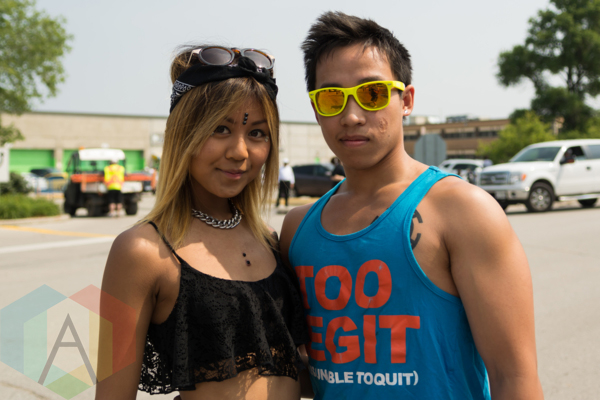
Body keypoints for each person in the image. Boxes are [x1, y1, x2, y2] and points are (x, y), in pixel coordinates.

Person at [279, 11, 544, 400]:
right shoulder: (297, 229)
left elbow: (515, 378)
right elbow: (312, 372)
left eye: (371, 93)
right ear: (317, 109)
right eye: (332, 98)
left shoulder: (463, 211)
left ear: (405, 100)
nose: (351, 116)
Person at [97, 45, 308, 400]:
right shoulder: (141, 251)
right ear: (184, 134)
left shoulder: (272, 241)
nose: (239, 151)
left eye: (257, 133)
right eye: (220, 128)